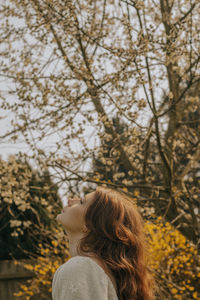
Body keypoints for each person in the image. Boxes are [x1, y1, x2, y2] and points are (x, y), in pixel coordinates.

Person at [52, 186, 156, 300]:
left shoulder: (80, 268)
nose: (70, 200)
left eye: (82, 202)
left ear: (89, 224)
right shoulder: (106, 273)